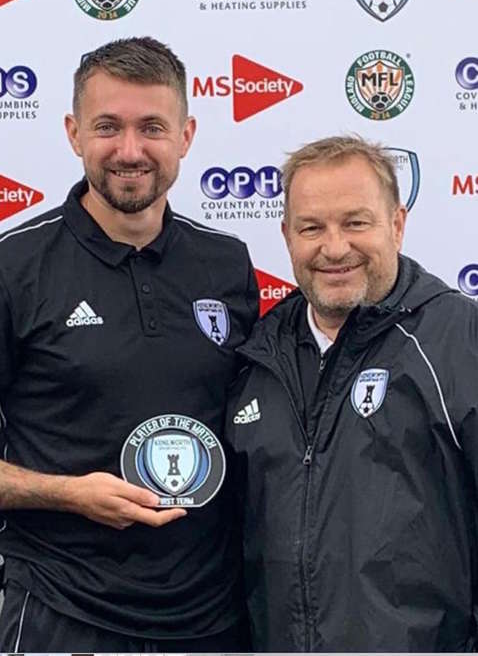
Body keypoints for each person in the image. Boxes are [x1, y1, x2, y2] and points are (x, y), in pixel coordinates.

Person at [0, 36, 258, 652]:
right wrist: (65, 494)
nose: (130, 150)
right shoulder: (15, 267)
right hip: (63, 609)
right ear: (72, 132)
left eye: (152, 127)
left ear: (187, 135)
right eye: (108, 126)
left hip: (210, 617)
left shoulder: (227, 264)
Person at [226, 135, 478, 652]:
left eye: (355, 223)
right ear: (286, 235)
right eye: (312, 227)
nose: (334, 248)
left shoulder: (457, 340)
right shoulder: (256, 358)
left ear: (398, 224)